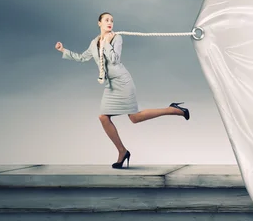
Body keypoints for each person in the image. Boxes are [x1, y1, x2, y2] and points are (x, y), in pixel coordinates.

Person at [55, 12, 189, 169]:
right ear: (99, 23)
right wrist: (63, 50)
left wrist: (107, 43)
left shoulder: (116, 38)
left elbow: (115, 59)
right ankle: (122, 151)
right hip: (110, 85)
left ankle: (172, 109)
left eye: (112, 20)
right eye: (106, 20)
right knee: (103, 117)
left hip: (123, 81)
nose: (110, 22)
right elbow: (82, 58)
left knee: (134, 118)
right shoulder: (94, 43)